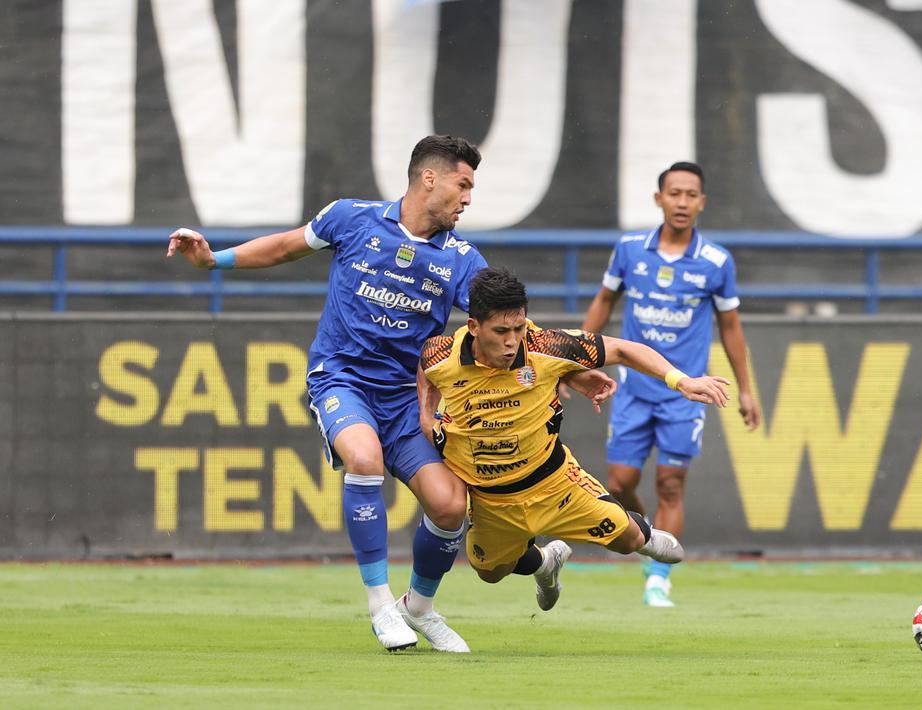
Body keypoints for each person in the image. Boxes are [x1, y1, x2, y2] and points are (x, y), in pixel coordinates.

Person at [167, 135, 582, 653]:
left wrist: (574, 365)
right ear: (429, 178)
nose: (469, 197)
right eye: (464, 183)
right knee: (363, 459)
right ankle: (380, 603)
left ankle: (421, 607)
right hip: (341, 378)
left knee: (451, 506)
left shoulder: (460, 260)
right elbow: (284, 247)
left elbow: (510, 324)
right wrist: (213, 261)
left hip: (407, 401)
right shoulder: (351, 218)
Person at [416, 267, 731, 610]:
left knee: (629, 540)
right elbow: (427, 373)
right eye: (501, 331)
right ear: (474, 327)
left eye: (519, 328)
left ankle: (645, 535)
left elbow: (624, 350)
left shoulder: (545, 346)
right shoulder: (440, 355)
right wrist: (425, 412)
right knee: (490, 572)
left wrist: (680, 381)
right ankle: (546, 564)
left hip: (554, 484)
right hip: (491, 501)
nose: (511, 341)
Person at [580, 161, 762, 607]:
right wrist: (577, 361)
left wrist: (745, 388)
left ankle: (658, 578)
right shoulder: (628, 250)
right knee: (619, 482)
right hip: (634, 389)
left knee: (670, 485)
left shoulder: (717, 262)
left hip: (686, 393)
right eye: (674, 193)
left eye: (690, 195)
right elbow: (604, 301)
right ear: (658, 198)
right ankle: (650, 538)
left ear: (702, 202)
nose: (682, 202)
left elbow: (732, 327)